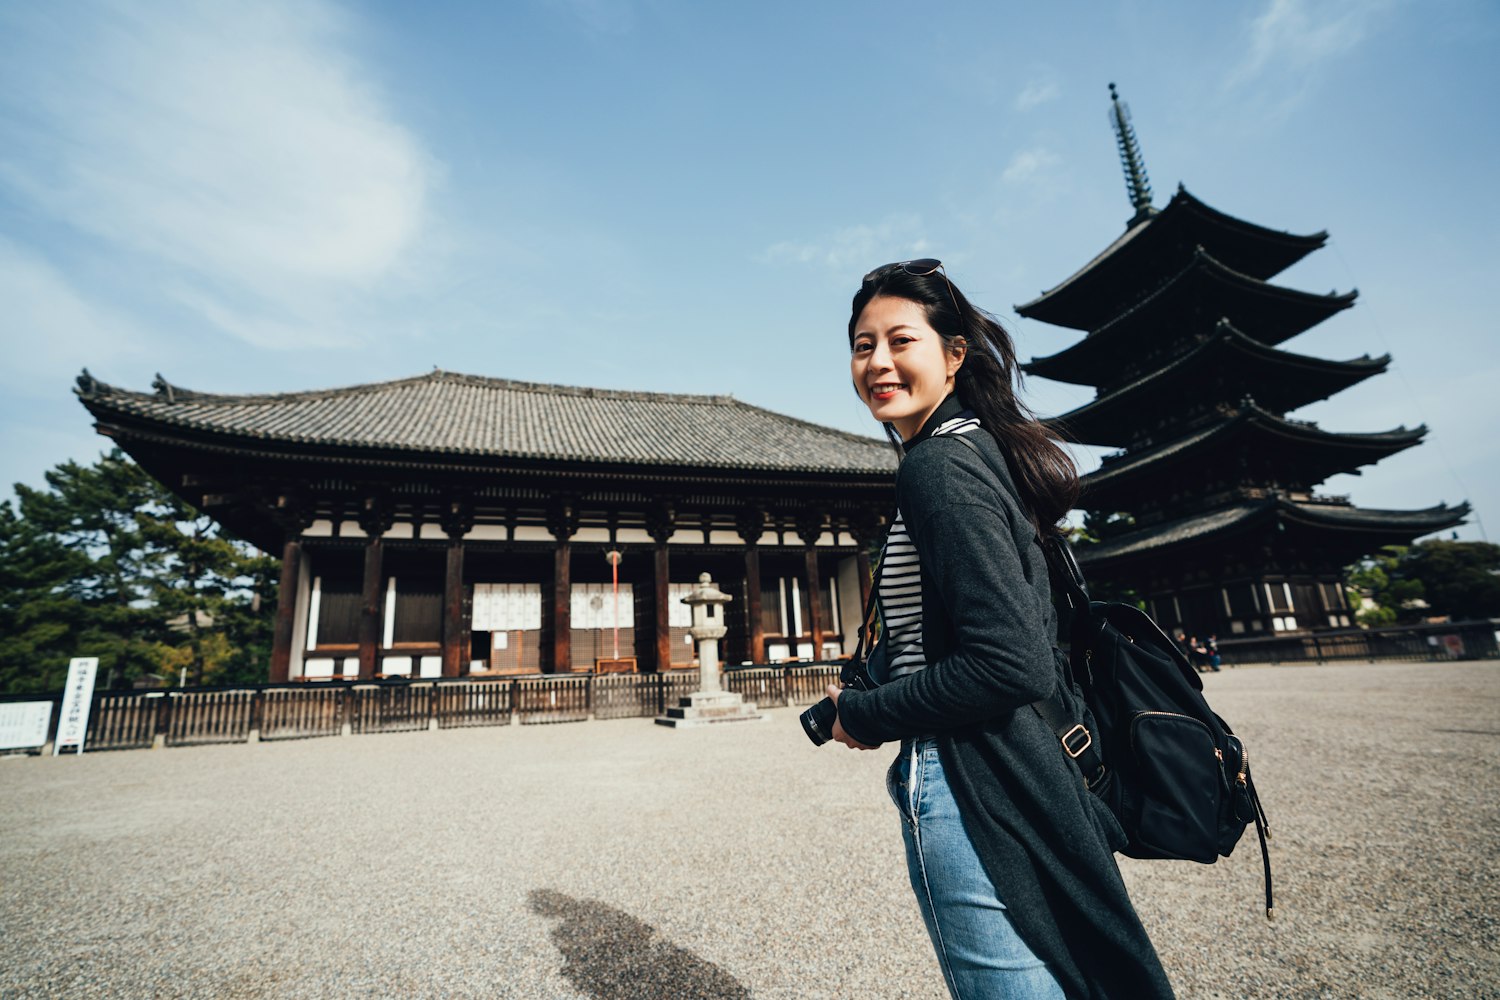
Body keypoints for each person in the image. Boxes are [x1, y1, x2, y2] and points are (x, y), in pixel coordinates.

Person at [825, 259, 1174, 1000]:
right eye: (862, 345)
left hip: (974, 776)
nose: (878, 362)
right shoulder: (984, 452)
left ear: (954, 354)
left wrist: (862, 712)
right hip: (1022, 765)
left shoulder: (938, 467)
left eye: (899, 340)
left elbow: (1009, 664)